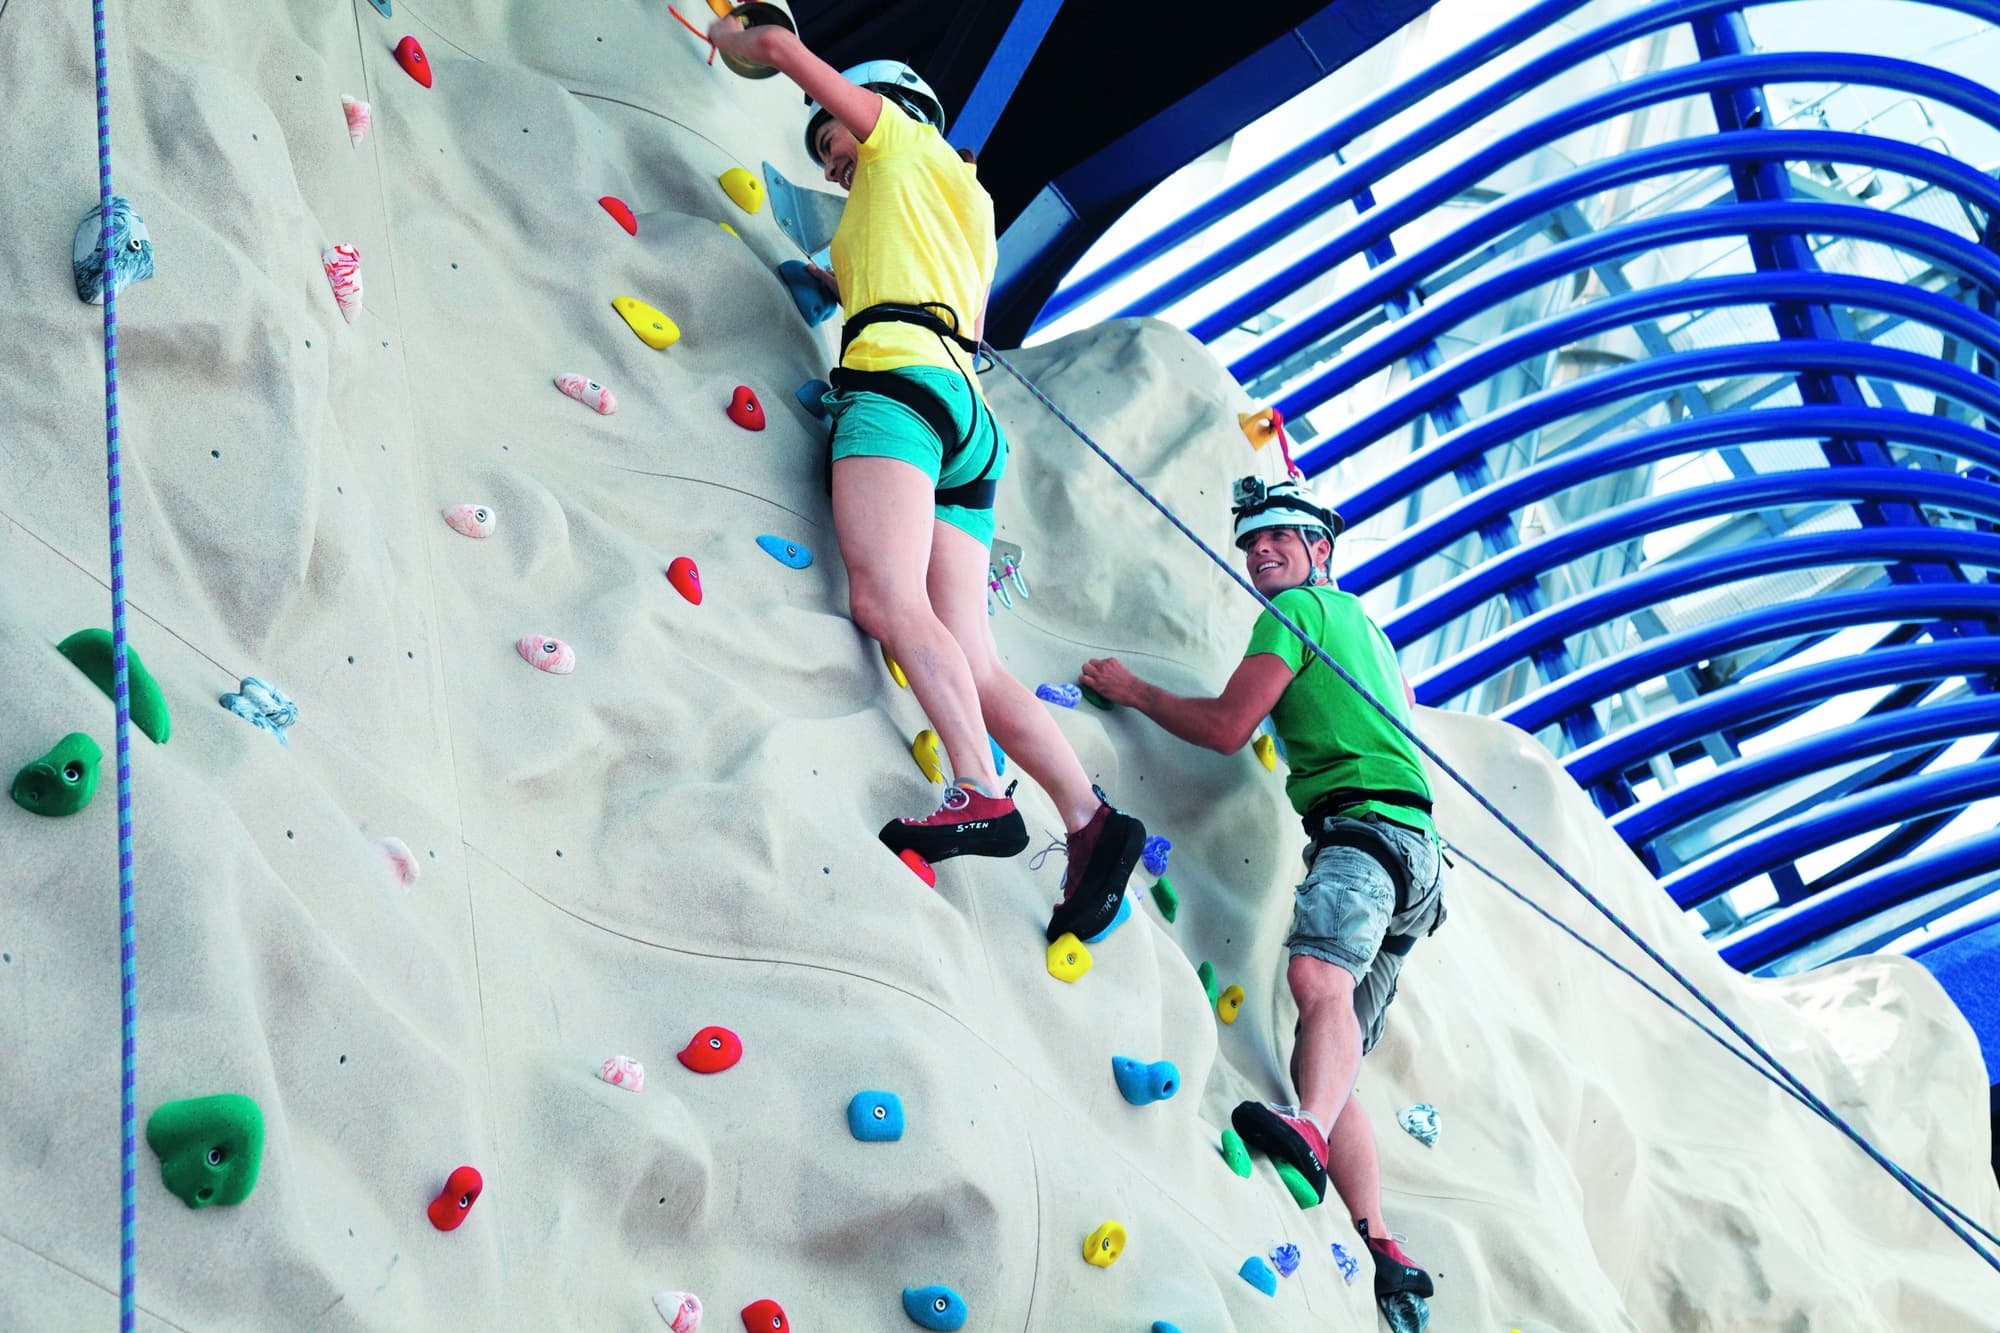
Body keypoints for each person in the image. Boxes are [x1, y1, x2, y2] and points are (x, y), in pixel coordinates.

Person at [706, 16, 1146, 941]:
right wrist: (823, 278)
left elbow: (788, 56)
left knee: (886, 600)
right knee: (973, 655)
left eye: (838, 148)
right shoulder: (960, 204)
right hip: (969, 418)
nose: (837, 168)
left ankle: (981, 789)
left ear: (892, 114)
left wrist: (743, 37)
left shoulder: (902, 146)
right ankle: (1088, 819)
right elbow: (862, 267)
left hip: (898, 392)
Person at [1080, 476, 1442, 1308]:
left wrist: (1133, 690)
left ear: (1322, 551)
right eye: (1252, 540)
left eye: (1281, 535)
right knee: (1333, 1033)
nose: (1261, 549)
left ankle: (1308, 1135)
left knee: (1317, 982)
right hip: (1416, 858)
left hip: (1365, 831)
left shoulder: (1301, 613)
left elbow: (1227, 727)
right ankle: (1382, 1243)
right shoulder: (1373, 636)